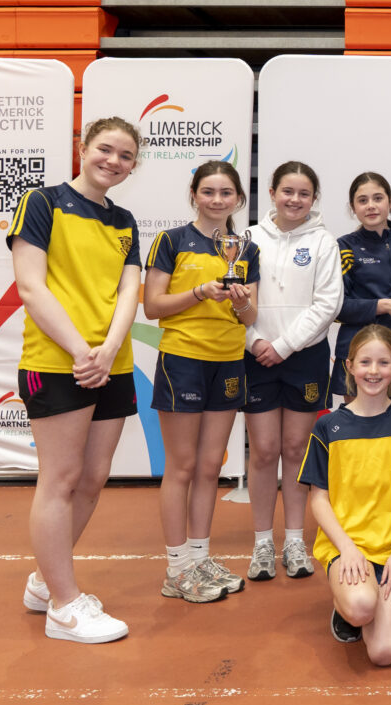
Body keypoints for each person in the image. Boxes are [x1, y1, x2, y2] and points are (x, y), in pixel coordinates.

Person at [10, 116, 142, 643]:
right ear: (82, 148)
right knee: (60, 479)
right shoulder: (42, 203)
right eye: (105, 149)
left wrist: (108, 350)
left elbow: (129, 291)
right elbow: (31, 286)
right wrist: (81, 350)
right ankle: (64, 608)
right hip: (57, 361)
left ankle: (45, 582)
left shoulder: (125, 220)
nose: (114, 161)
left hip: (113, 362)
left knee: (92, 478)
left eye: (126, 155)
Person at [144, 160, 259, 603]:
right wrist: (199, 292)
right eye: (208, 191)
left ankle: (198, 557)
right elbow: (152, 306)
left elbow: (250, 316)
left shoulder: (246, 250)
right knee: (182, 467)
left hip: (228, 361)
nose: (216, 199)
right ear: (194, 194)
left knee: (211, 467)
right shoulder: (172, 240)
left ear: (238, 199)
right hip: (183, 359)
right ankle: (176, 569)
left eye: (226, 192)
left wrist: (240, 301)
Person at [298, 325, 391, 665]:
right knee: (362, 606)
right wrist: (348, 549)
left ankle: (371, 597)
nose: (373, 371)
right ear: (349, 366)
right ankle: (349, 604)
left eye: (383, 362)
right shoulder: (328, 426)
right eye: (365, 362)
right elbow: (319, 498)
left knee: (383, 654)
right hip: (347, 547)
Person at [243, 161, 343, 581]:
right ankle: (263, 543)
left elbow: (328, 303)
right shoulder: (248, 238)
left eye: (304, 193)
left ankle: (296, 541)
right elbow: (234, 297)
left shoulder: (323, 242)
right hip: (255, 354)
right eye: (287, 191)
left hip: (305, 356)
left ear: (314, 198)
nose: (295, 200)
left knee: (297, 449)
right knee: (264, 451)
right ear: (271, 193)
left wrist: (284, 346)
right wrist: (255, 342)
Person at [333, 172, 391, 406]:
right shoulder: (344, 247)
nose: (371, 206)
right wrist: (384, 306)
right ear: (353, 207)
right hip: (357, 351)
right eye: (362, 200)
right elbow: (338, 307)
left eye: (378, 198)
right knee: (357, 424)